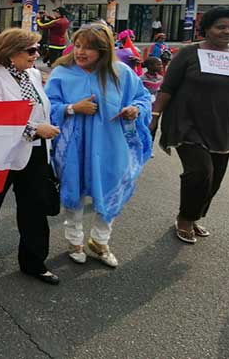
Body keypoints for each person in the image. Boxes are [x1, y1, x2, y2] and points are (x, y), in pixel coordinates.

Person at [45, 21, 152, 268]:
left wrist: (135, 109)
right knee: (75, 191)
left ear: (104, 50)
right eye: (77, 45)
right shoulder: (62, 72)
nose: (80, 52)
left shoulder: (121, 73)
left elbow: (144, 97)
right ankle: (74, 241)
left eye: (89, 48)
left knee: (112, 189)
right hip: (73, 147)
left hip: (111, 145)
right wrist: (72, 108)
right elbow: (47, 106)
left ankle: (100, 241)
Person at [0, 29, 61, 285]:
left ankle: (34, 262)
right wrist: (32, 129)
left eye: (37, 49)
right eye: (31, 50)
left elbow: (41, 109)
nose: (37, 54)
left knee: (35, 207)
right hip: (4, 153)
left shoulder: (32, 74)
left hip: (37, 151)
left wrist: (42, 130)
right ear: (11, 52)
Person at [150, 6, 229, 244]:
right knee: (200, 172)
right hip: (187, 123)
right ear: (207, 29)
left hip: (225, 126)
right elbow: (168, 88)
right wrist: (154, 117)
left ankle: (194, 216)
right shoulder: (189, 53)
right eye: (221, 27)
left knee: (215, 179)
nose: (227, 31)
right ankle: (184, 219)